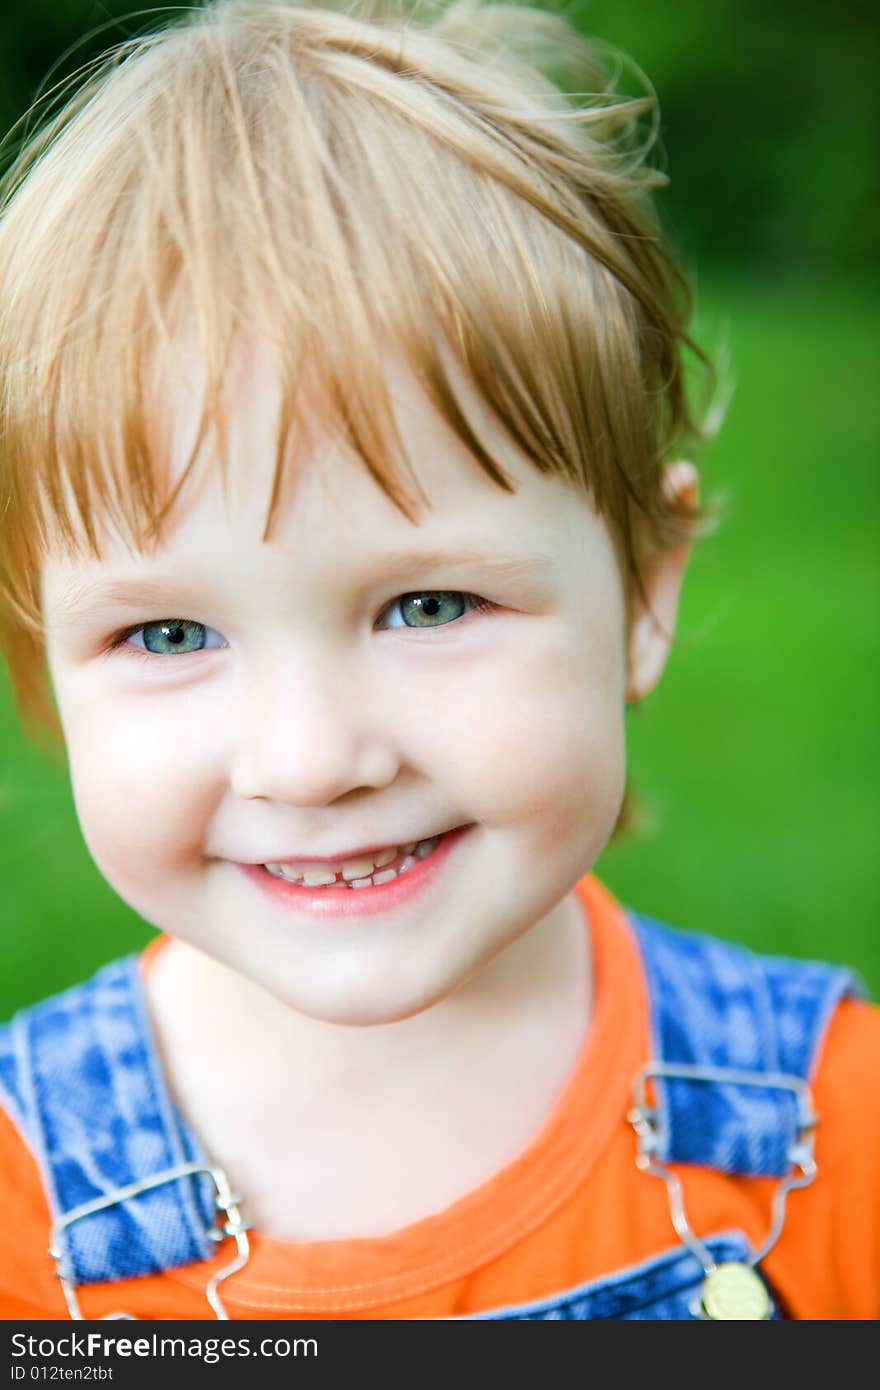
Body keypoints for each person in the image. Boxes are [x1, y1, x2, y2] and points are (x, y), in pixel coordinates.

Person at [0, 0, 876, 1322]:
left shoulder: (830, 1135)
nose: (312, 758)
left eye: (428, 605)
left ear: (644, 592)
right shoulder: (20, 1212)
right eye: (170, 633)